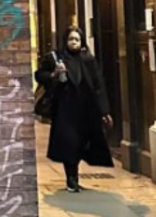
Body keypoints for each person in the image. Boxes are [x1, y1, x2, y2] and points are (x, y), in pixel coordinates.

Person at [35, 26, 112, 192]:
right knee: (68, 143)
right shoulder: (56, 58)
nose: (74, 42)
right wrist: (54, 74)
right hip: (64, 108)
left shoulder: (88, 60)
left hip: (85, 110)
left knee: (81, 143)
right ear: (65, 41)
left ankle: (74, 177)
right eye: (71, 39)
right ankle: (71, 178)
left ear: (82, 41)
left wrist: (104, 111)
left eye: (77, 39)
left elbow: (98, 86)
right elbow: (39, 75)